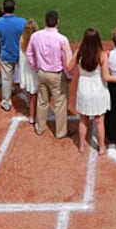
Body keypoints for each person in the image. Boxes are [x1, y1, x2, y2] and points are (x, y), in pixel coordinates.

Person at [26, 10, 72, 139]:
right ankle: (60, 132)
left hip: (41, 73)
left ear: (45, 21)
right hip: (56, 75)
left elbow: (29, 54)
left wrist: (35, 66)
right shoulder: (62, 39)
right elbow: (67, 59)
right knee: (60, 104)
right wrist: (69, 76)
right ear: (57, 21)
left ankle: (39, 128)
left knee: (42, 101)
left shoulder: (36, 36)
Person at [68, 27, 111, 155]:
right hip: (98, 90)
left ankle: (81, 145)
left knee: (83, 119)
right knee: (99, 120)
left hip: (84, 89)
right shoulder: (102, 55)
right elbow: (105, 76)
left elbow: (69, 67)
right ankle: (102, 147)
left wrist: (66, 53)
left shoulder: (78, 53)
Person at [0, 0, 26, 112]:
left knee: (6, 79)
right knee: (24, 77)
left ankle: (6, 102)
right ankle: (28, 100)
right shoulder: (22, 22)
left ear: (3, 9)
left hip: (5, 54)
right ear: (14, 8)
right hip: (20, 55)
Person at [18, 19, 39, 124]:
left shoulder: (22, 39)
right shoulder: (36, 41)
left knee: (31, 95)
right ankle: (35, 115)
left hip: (26, 71)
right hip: (34, 72)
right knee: (36, 95)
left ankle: (31, 116)